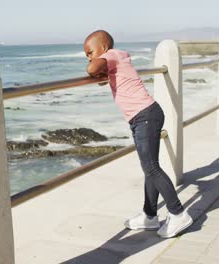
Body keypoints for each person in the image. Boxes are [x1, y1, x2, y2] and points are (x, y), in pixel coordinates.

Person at [83, 30, 193, 238]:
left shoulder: (113, 55)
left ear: (104, 48)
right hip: (143, 117)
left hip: (145, 116)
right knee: (149, 167)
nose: (89, 57)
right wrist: (100, 72)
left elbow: (92, 69)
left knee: (151, 167)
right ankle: (150, 216)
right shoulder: (117, 59)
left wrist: (94, 65)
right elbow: (100, 78)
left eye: (90, 52)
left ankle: (178, 213)